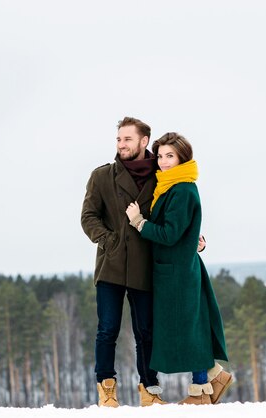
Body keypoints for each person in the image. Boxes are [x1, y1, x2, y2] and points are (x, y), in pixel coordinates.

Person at [125, 132, 233, 405]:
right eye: (160, 156)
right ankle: (213, 377)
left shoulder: (182, 188)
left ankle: (201, 389)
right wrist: (195, 239)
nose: (163, 162)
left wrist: (139, 222)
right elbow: (184, 227)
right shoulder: (171, 186)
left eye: (169, 156)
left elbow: (170, 233)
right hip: (175, 269)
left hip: (178, 273)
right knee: (187, 328)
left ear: (182, 157)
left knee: (187, 330)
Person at [81, 117, 166, 407]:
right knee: (107, 329)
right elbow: (88, 217)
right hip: (111, 266)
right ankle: (107, 389)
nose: (121, 144)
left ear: (144, 141)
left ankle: (149, 390)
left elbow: (172, 217)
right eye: (119, 139)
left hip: (145, 264)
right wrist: (109, 241)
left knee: (147, 332)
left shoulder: (162, 176)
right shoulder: (102, 176)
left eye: (127, 139)